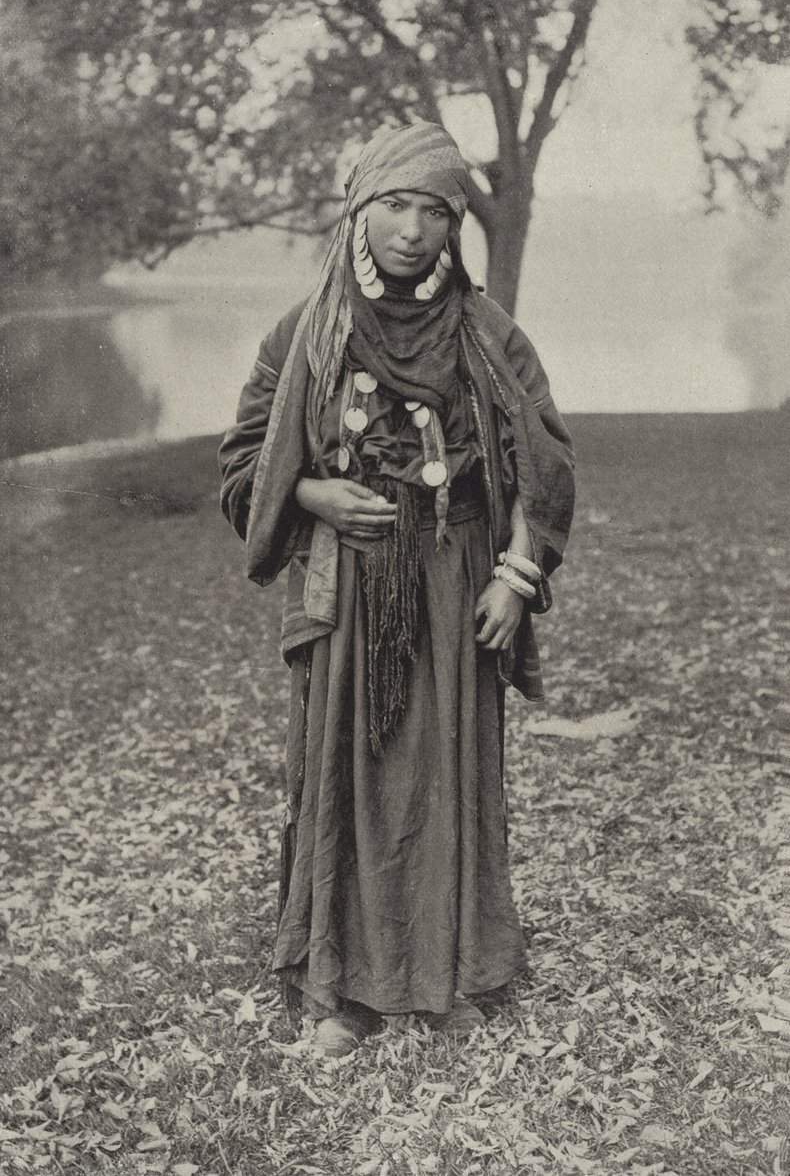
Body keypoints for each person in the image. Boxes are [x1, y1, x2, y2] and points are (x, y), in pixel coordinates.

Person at [218, 121, 575, 1057]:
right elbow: (241, 466)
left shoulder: (488, 332)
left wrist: (516, 574)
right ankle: (340, 993)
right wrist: (307, 489)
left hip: (457, 580)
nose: (413, 230)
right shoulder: (306, 333)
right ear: (358, 211)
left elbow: (539, 465)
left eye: (434, 211)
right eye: (394, 206)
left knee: (449, 770)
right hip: (352, 593)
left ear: (455, 224)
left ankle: (449, 974)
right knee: (349, 777)